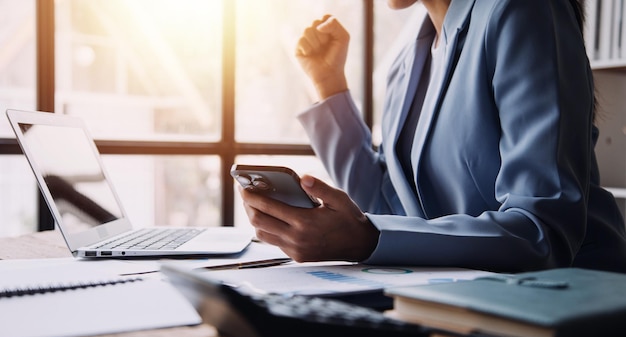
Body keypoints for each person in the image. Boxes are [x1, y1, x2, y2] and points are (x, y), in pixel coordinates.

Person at [239, 0, 626, 273]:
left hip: (572, 305)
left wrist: (363, 239)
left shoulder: (522, 9)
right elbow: (390, 207)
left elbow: (544, 231)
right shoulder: (407, 55)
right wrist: (329, 85)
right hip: (462, 296)